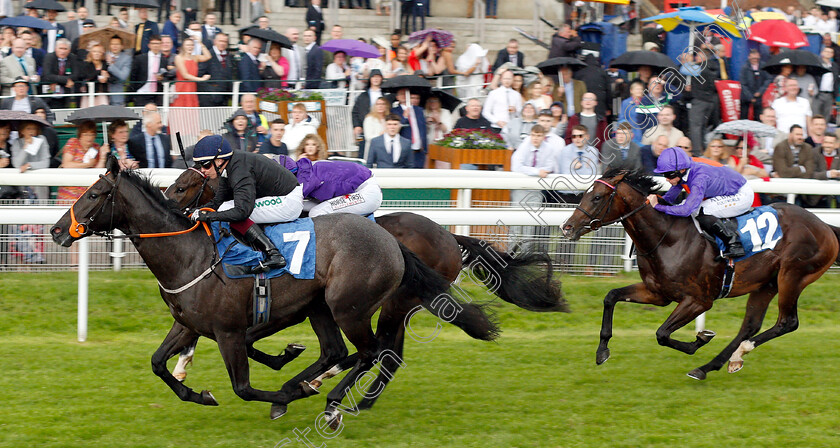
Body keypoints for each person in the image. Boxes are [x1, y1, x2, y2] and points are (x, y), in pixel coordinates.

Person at [190, 137, 304, 272]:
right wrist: (194, 211)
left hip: (288, 201)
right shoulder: (229, 165)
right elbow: (217, 203)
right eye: (199, 165)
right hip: (280, 195)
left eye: (206, 164)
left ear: (219, 161)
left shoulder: (240, 171)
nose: (202, 170)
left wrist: (209, 216)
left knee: (230, 211)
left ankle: (273, 254)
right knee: (224, 207)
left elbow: (242, 211)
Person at [647, 147, 751, 259]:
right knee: (694, 208)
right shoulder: (684, 169)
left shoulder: (699, 178)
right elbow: (671, 196)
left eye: (668, 174)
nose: (666, 179)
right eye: (664, 175)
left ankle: (734, 244)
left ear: (681, 170)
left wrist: (658, 206)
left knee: (702, 210)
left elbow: (686, 210)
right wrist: (658, 201)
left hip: (741, 194)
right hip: (726, 192)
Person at [58, 121, 108, 200]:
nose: (89, 137)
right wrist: (87, 165)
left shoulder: (96, 147)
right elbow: (66, 164)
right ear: (80, 135)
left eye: (92, 134)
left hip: (86, 191)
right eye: (86, 134)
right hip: (70, 190)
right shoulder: (73, 143)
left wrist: (102, 156)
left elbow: (97, 171)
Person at [391, 87, 427, 168]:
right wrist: (404, 117)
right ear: (397, 97)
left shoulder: (419, 110)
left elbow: (423, 128)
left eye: (406, 93)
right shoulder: (394, 111)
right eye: (401, 94)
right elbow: (395, 128)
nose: (404, 95)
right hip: (405, 149)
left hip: (419, 150)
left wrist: (425, 149)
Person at [172, 35, 211, 107]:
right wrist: (201, 79)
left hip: (192, 87)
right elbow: (185, 75)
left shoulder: (195, 57)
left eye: (192, 45)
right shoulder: (178, 57)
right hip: (182, 87)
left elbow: (208, 56)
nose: (190, 47)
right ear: (183, 46)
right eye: (187, 45)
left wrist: (200, 42)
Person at [198, 32, 234, 107]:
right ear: (215, 42)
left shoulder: (229, 56)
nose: (222, 43)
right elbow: (199, 75)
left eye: (225, 41)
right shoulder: (207, 55)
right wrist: (210, 92)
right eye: (220, 41)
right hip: (209, 99)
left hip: (224, 98)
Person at [482, 70, 522, 134]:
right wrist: (497, 121)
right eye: (505, 78)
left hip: (511, 127)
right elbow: (486, 112)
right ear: (501, 79)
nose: (507, 81)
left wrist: (516, 110)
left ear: (512, 80)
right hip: (496, 127)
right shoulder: (493, 93)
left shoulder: (516, 95)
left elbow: (520, 113)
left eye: (509, 79)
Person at [129, 35, 164, 106]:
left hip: (157, 94)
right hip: (142, 91)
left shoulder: (164, 59)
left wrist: (162, 78)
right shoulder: (140, 58)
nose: (156, 46)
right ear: (149, 45)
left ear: (161, 45)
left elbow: (166, 75)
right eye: (153, 44)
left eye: (158, 44)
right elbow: (133, 76)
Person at [41, 38, 76, 109]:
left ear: (69, 50)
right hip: (50, 93)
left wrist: (58, 81)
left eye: (65, 49)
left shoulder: (73, 58)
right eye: (60, 48)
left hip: (66, 93)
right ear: (55, 49)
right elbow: (47, 75)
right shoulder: (49, 57)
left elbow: (76, 74)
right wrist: (65, 80)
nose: (62, 51)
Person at [740, 49, 772, 120]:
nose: (755, 60)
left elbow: (769, 78)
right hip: (746, 96)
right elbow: (743, 84)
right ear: (749, 57)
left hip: (758, 96)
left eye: (757, 58)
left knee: (758, 117)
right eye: (753, 58)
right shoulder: (744, 68)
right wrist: (750, 97)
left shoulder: (763, 66)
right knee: (743, 117)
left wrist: (760, 92)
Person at [75, 43, 110, 108]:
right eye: (94, 51)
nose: (97, 53)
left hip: (102, 93)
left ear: (102, 53)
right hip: (89, 94)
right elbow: (87, 76)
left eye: (99, 52)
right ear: (91, 53)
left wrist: (106, 78)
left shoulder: (105, 65)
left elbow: (112, 78)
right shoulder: (86, 64)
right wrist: (99, 72)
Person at [106, 36, 132, 106]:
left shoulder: (127, 58)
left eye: (117, 44)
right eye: (112, 44)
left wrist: (111, 64)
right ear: (109, 45)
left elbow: (123, 76)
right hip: (102, 94)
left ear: (122, 46)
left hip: (117, 95)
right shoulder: (103, 55)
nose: (114, 46)